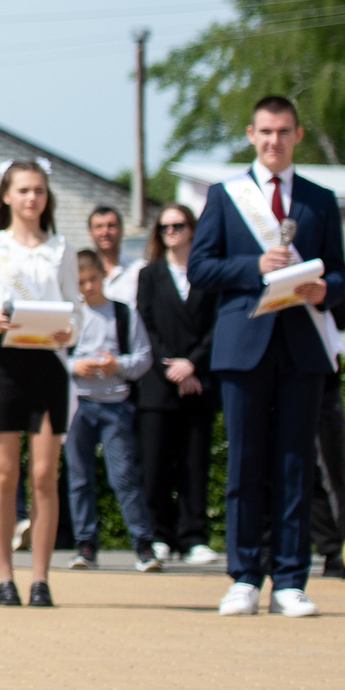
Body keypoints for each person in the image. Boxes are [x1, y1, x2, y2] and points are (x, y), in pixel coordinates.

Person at [188, 94, 345, 619]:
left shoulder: (320, 199)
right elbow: (200, 269)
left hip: (302, 346)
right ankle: (241, 575)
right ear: (250, 135)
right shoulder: (225, 195)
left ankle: (289, 578)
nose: (273, 141)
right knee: (245, 464)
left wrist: (326, 290)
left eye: (283, 132)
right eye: (265, 132)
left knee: (294, 465)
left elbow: (343, 275)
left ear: (297, 135)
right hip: (243, 344)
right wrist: (255, 265)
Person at [0, 161, 79, 607]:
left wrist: (73, 331)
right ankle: (4, 576)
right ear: (7, 196)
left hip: (47, 363)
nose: (33, 199)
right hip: (3, 363)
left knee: (45, 473)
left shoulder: (61, 249)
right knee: (5, 473)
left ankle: (41, 578)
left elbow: (76, 308)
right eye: (25, 190)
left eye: (40, 191)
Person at [131, 201, 219, 566]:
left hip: (197, 382)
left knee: (194, 462)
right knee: (154, 464)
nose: (172, 233)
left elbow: (217, 324)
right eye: (165, 227)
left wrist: (192, 365)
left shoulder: (208, 274)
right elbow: (146, 325)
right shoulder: (149, 275)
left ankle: (193, 536)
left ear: (193, 230)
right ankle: (159, 535)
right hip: (158, 383)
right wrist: (172, 366)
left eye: (179, 226)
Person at [62, 251, 157, 573]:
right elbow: (55, 357)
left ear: (103, 276)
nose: (87, 287)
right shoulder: (70, 316)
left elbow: (143, 357)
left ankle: (143, 545)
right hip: (78, 405)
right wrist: (76, 365)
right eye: (80, 282)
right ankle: (85, 544)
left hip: (116, 404)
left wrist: (118, 365)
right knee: (79, 477)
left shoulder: (122, 313)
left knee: (124, 477)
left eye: (92, 280)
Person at [86, 204, 140, 298]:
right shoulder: (80, 272)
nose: (105, 232)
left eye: (111, 226)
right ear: (90, 232)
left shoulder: (138, 270)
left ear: (121, 230)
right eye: (99, 227)